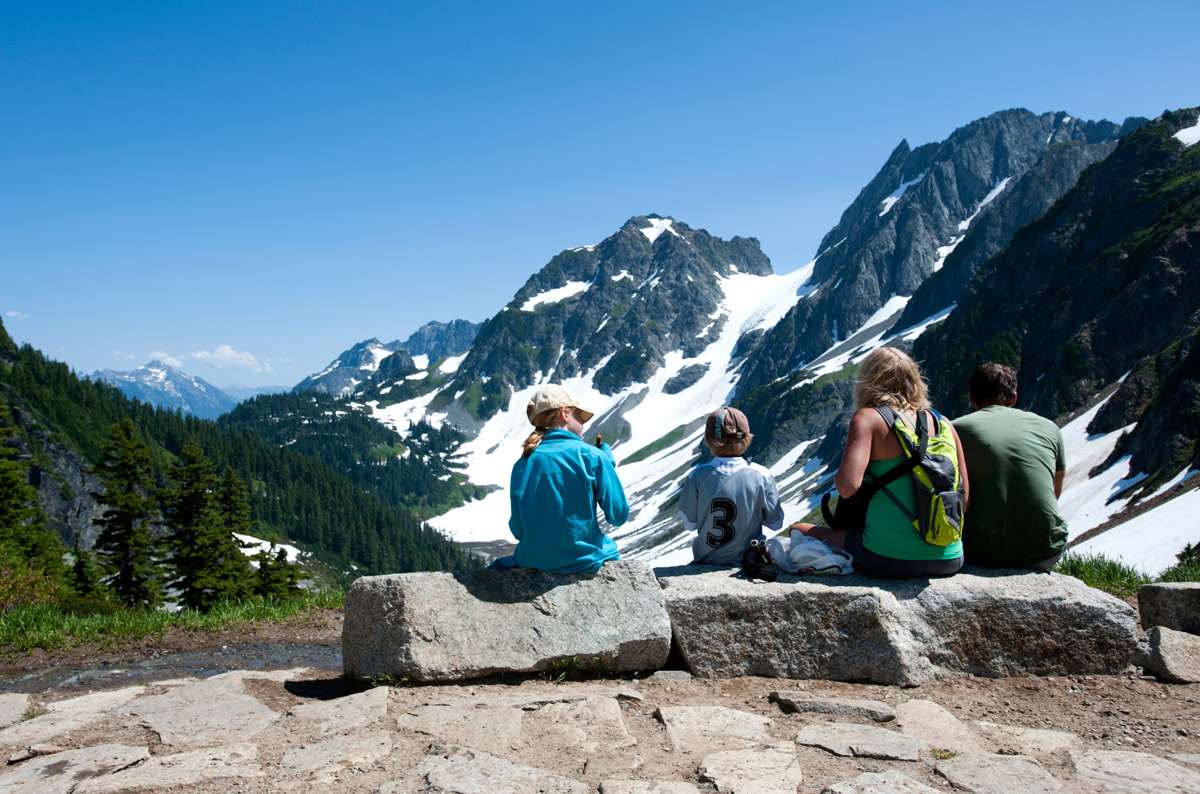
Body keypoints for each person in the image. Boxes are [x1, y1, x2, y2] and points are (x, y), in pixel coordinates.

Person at [791, 347, 969, 578]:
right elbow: (963, 501)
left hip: (887, 557)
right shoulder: (945, 423)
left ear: (868, 381)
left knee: (799, 530)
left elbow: (846, 487)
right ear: (915, 380)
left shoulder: (869, 418)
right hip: (951, 558)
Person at [490, 385, 629, 574]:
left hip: (533, 561)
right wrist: (607, 467)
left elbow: (518, 530)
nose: (583, 423)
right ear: (565, 414)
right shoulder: (593, 456)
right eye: (580, 416)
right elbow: (618, 516)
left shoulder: (522, 464)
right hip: (585, 560)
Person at [953, 362, 1068, 570]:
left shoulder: (953, 430)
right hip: (1045, 549)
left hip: (979, 551)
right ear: (1014, 398)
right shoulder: (1050, 428)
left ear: (971, 397)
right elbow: (1055, 491)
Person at [682, 406, 784, 565]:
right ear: (748, 438)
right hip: (750, 562)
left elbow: (689, 524)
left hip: (707, 562)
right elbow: (776, 523)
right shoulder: (762, 474)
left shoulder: (696, 476)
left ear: (707, 440)